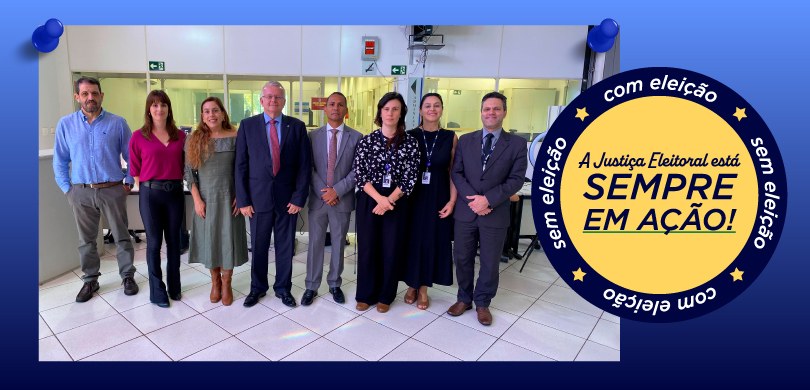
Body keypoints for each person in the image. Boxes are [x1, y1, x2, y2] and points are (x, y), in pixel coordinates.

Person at [53, 76, 138, 303]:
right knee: (87, 240)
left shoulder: (118, 123)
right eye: (85, 94)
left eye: (94, 93)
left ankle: (127, 276)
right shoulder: (66, 124)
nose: (90, 97)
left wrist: (128, 180)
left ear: (101, 95)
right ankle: (90, 279)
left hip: (112, 189)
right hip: (80, 192)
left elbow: (131, 156)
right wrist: (67, 190)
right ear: (77, 97)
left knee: (121, 236)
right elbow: (60, 160)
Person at [447, 92, 527, 326]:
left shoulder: (517, 144)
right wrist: (474, 200)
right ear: (481, 112)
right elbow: (457, 172)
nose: (491, 112)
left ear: (504, 112)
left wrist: (488, 200)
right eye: (487, 109)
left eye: (496, 109)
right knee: (462, 257)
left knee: (490, 262)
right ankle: (464, 298)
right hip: (466, 211)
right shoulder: (466, 140)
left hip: (495, 213)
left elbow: (516, 180)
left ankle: (482, 302)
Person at [236, 81, 312, 308]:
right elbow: (240, 165)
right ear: (261, 101)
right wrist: (244, 200)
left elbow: (304, 166)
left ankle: (283, 288)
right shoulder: (248, 126)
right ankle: (257, 288)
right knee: (259, 246)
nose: (273, 101)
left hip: (288, 201)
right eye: (268, 97)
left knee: (285, 246)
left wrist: (299, 198)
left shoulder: (296, 127)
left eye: (278, 97)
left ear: (284, 101)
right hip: (257, 200)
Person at [353, 92, 420, 313]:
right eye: (386, 109)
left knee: (391, 249)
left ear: (401, 114)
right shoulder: (367, 141)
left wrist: (389, 200)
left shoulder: (410, 143)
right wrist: (380, 199)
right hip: (370, 199)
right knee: (368, 248)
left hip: (397, 202)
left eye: (395, 109)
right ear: (380, 112)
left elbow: (410, 177)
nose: (390, 113)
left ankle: (385, 295)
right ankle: (365, 294)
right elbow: (360, 176)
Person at [184, 97, 248, 306]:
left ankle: (227, 282)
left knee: (228, 240)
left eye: (215, 110)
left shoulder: (237, 136)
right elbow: (189, 172)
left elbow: (244, 169)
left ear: (222, 113)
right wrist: (197, 200)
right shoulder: (194, 139)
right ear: (202, 116)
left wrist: (242, 195)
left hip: (230, 199)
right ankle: (215, 282)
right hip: (205, 199)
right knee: (210, 240)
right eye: (206, 111)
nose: (211, 115)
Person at [302, 92, 362, 306]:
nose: (336, 108)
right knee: (315, 244)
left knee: (338, 243)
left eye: (340, 105)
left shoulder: (356, 137)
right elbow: (307, 168)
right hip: (319, 200)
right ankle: (311, 285)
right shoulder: (312, 137)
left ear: (346, 110)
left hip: (342, 200)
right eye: (331, 104)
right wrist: (325, 191)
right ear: (325, 109)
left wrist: (336, 190)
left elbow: (357, 170)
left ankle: (335, 283)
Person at [129, 90, 186, 308]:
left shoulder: (180, 136)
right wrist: (145, 186)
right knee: (154, 243)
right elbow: (135, 169)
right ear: (148, 110)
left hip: (175, 194)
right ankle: (157, 290)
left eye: (163, 105)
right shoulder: (138, 136)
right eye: (154, 105)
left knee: (174, 242)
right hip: (151, 194)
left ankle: (175, 286)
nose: (159, 109)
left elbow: (186, 165)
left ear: (169, 109)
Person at [403, 93, 457, 310]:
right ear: (421, 110)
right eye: (428, 105)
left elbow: (454, 172)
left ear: (442, 109)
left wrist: (452, 201)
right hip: (412, 199)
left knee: (432, 242)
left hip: (438, 196)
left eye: (436, 105)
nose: (432, 109)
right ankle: (411, 284)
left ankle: (423, 288)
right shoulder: (409, 135)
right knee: (412, 242)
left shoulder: (450, 137)